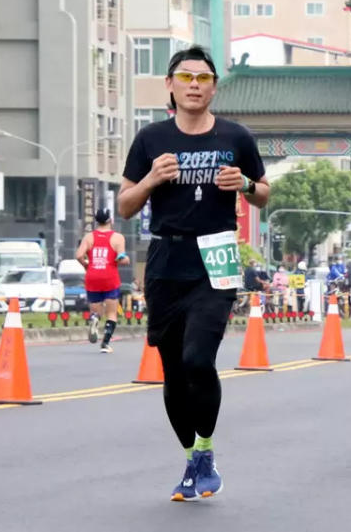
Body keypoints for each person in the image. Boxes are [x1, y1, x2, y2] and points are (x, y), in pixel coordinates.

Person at [117, 45, 269, 500]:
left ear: (214, 86)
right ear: (170, 85)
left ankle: (205, 448)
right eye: (186, 78)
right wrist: (149, 181)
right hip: (166, 260)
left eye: (203, 78)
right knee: (172, 372)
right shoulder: (150, 139)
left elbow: (262, 192)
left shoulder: (236, 136)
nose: (195, 86)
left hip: (217, 257)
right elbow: (124, 205)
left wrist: (243, 184)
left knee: (198, 359)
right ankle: (191, 458)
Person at [76, 208, 130, 353]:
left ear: (96, 221)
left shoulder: (89, 237)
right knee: (111, 313)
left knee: (97, 310)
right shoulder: (118, 238)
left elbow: (79, 255)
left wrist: (87, 265)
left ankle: (94, 318)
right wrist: (124, 259)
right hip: (110, 276)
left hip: (92, 276)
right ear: (110, 220)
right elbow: (122, 258)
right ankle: (105, 343)